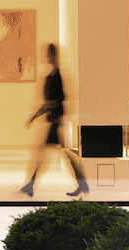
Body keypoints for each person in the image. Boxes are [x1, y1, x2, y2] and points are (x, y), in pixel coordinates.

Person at [20, 43, 89, 197]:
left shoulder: (55, 76)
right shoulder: (54, 75)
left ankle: (30, 185)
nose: (45, 57)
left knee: (45, 153)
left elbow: (56, 100)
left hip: (55, 121)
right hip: (56, 119)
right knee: (56, 153)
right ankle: (82, 184)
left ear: (52, 55)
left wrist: (35, 115)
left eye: (48, 54)